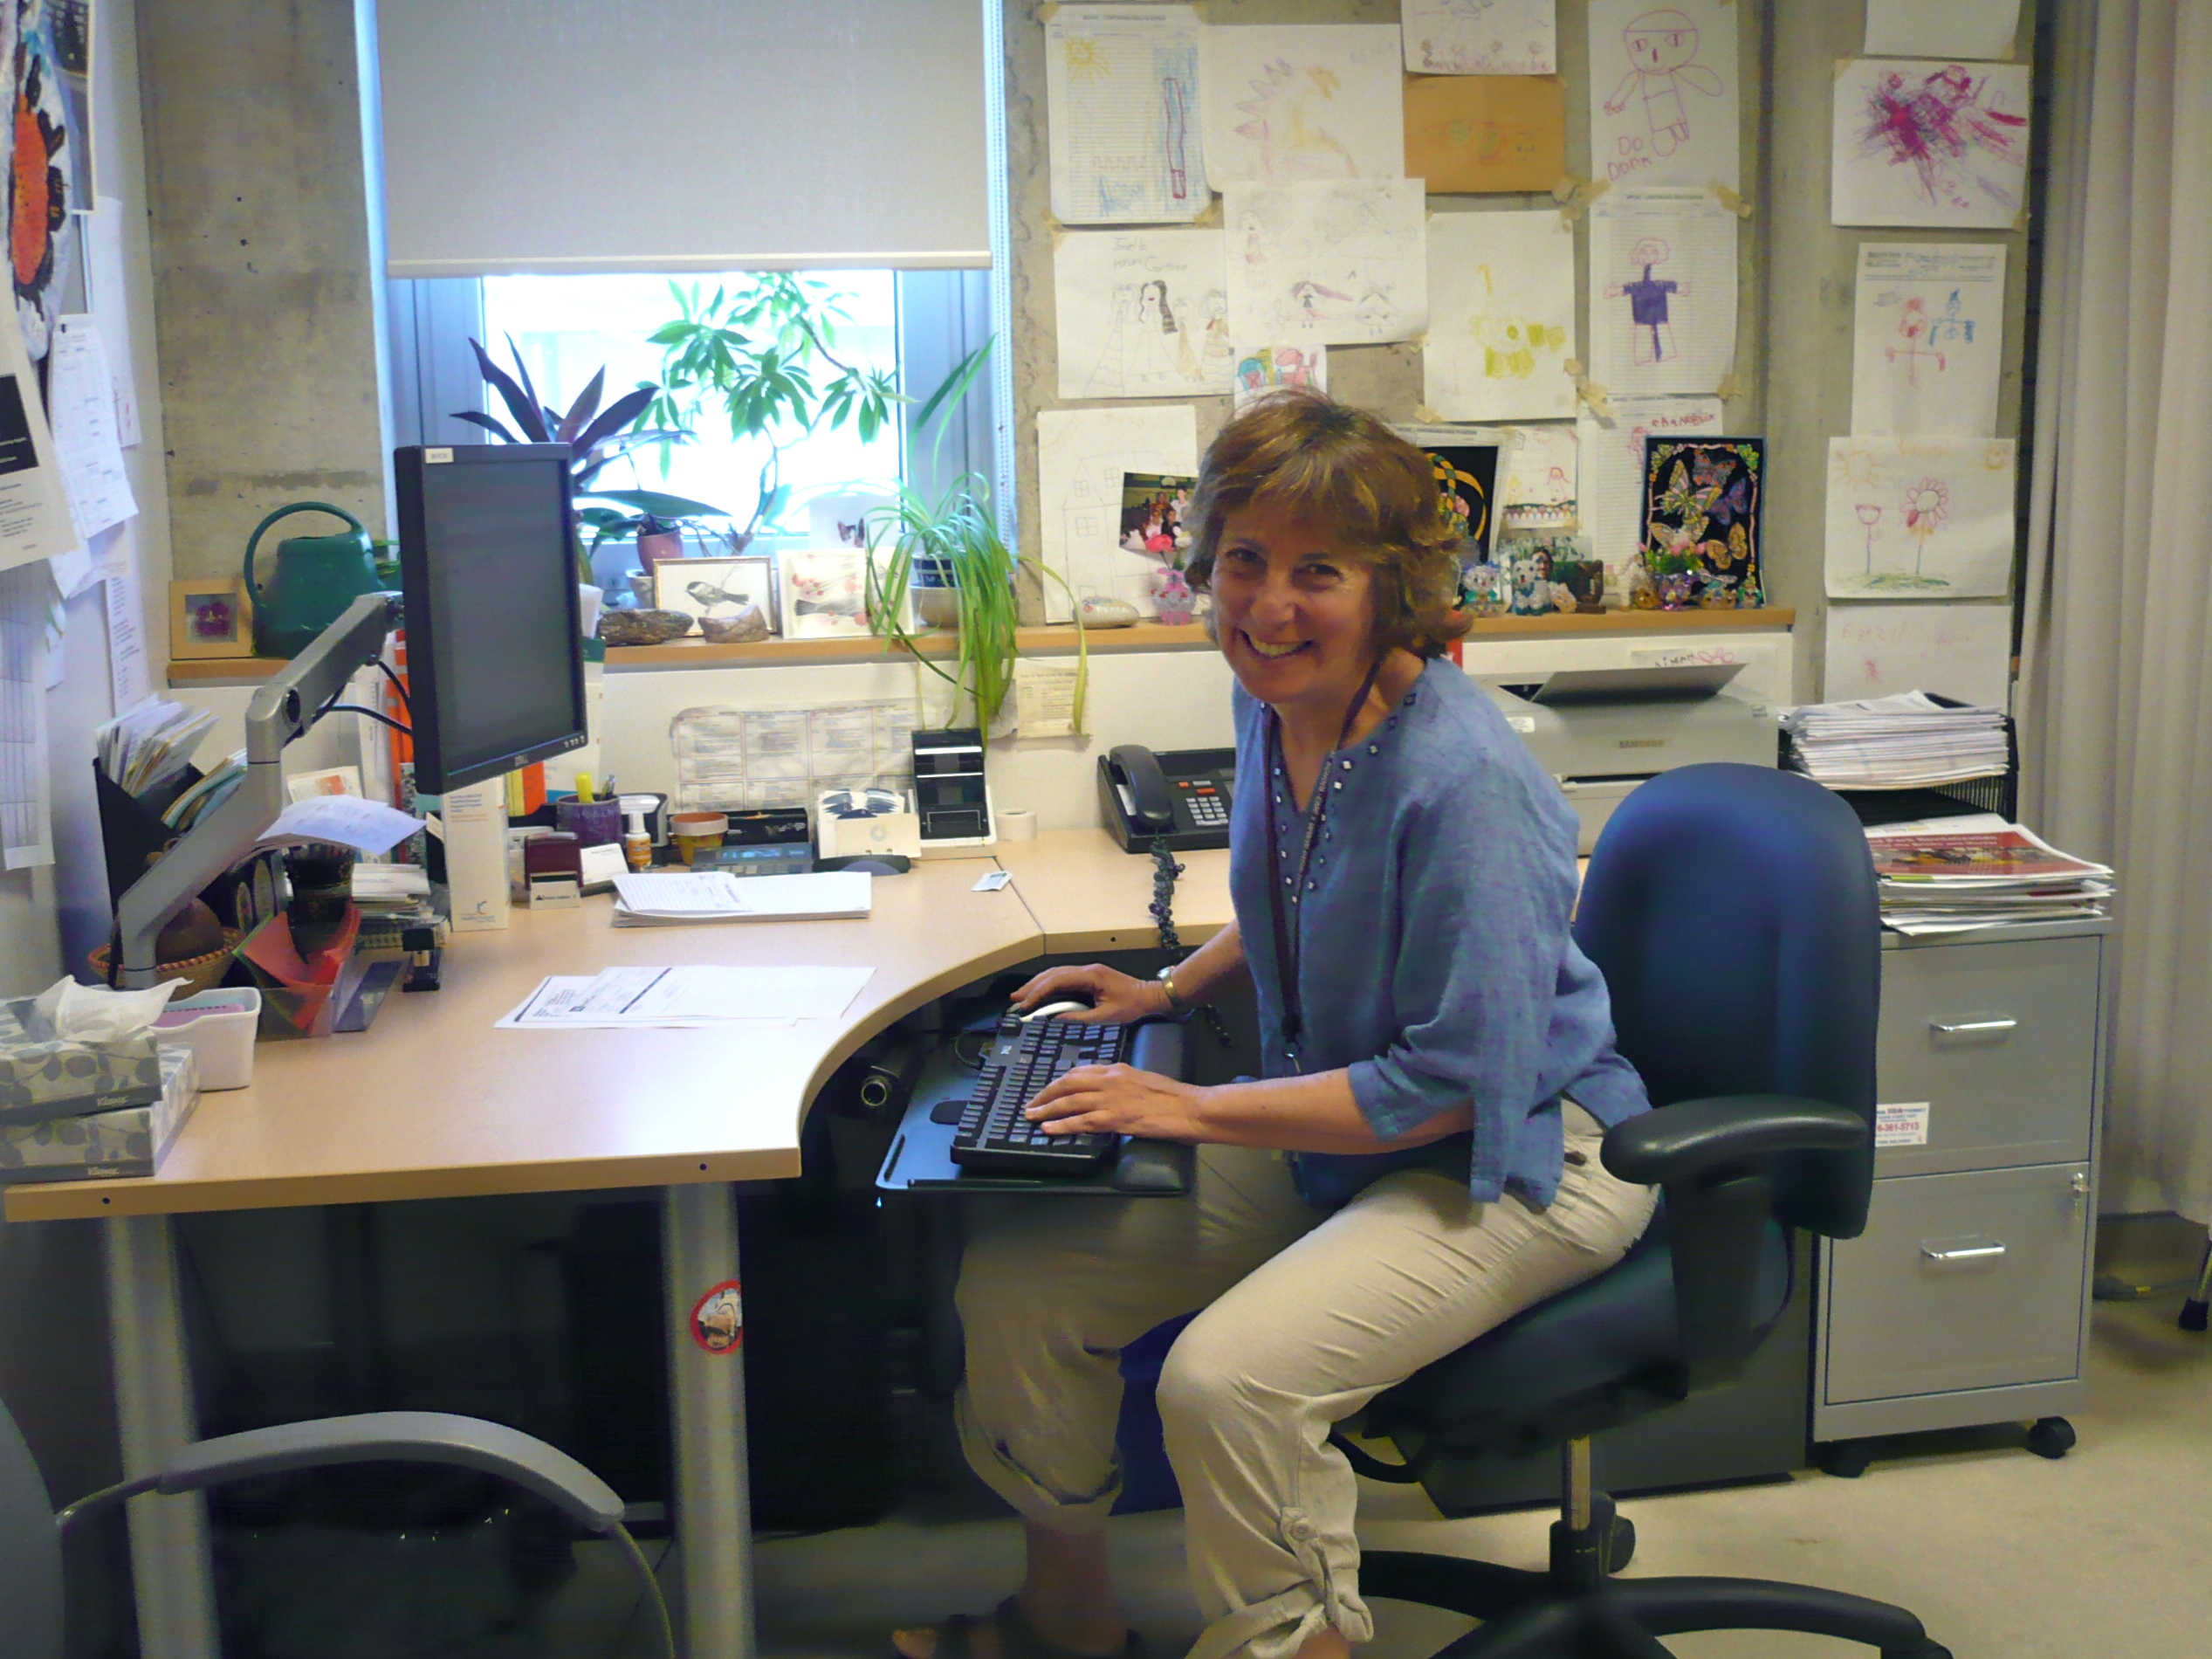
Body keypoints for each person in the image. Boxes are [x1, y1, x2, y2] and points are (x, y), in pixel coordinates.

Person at [896, 391, 1657, 1659]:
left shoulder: (1462, 784)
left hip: (1520, 1155)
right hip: (1349, 1132)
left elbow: (1462, 1083)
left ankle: (1302, 1644)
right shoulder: (1278, 704)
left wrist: (1186, 1103)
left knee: (1228, 1380)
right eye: (1242, 560)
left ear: (1391, 588)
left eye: (1319, 571)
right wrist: (1170, 992)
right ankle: (1067, 1621)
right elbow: (1302, 891)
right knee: (1024, 1281)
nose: (1266, 605)